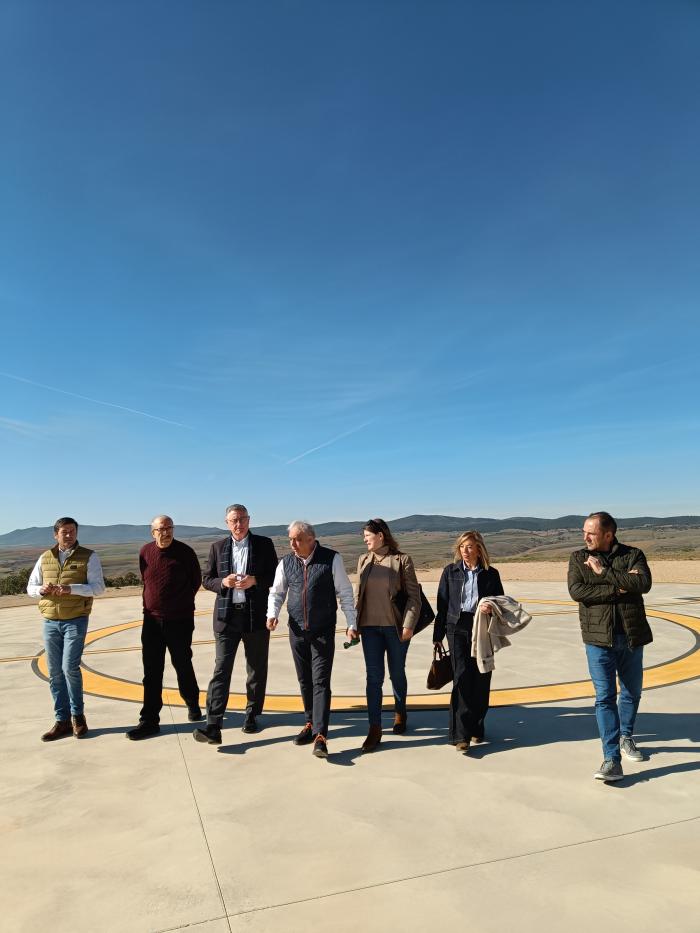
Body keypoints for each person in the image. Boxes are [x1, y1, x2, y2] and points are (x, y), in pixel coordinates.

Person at [568, 511, 652, 782]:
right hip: (598, 639)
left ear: (608, 534)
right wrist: (619, 588)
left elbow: (643, 583)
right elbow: (578, 592)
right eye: (584, 532)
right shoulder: (578, 558)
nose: (585, 537)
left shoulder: (633, 554)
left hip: (631, 636)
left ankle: (626, 736)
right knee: (604, 697)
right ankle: (611, 759)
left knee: (631, 692)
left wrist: (604, 573)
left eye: (590, 533)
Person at [267, 521, 356, 759]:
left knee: (321, 681)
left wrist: (351, 623)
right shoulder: (286, 562)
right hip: (297, 631)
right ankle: (309, 723)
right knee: (304, 680)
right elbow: (277, 592)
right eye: (290, 540)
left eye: (297, 539)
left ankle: (320, 735)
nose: (292, 544)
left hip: (322, 631)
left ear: (311, 539)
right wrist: (272, 614)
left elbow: (345, 592)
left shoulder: (331, 559)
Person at [193, 504, 278, 745]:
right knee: (221, 670)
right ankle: (213, 724)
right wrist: (223, 582)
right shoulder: (217, 547)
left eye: (242, 519)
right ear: (227, 523)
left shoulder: (264, 544)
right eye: (234, 520)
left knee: (256, 669)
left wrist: (255, 581)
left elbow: (275, 576)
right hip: (226, 618)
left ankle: (252, 714)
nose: (238, 524)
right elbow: (207, 579)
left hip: (255, 617)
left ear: (249, 520)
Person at [27, 517, 105, 741]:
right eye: (64, 532)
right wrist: (42, 589)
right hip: (50, 621)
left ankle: (78, 717)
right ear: (56, 534)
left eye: (72, 531)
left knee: (69, 667)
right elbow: (30, 587)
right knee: (55, 672)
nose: (69, 535)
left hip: (76, 619)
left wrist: (72, 589)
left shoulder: (89, 556)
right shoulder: (45, 557)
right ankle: (62, 721)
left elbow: (98, 588)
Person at [126, 516, 203, 740]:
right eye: (161, 529)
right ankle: (149, 720)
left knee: (182, 663)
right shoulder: (145, 552)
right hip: (151, 620)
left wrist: (179, 603)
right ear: (153, 533)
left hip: (180, 620)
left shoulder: (185, 552)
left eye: (169, 528)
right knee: (151, 671)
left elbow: (195, 581)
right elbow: (147, 580)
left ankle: (192, 701)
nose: (166, 532)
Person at [433, 530, 504, 753]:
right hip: (456, 627)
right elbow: (442, 605)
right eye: (462, 547)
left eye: (470, 546)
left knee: (481, 677)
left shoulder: (491, 574)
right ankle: (460, 735)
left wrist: (491, 607)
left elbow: (500, 602)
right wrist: (437, 636)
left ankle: (477, 725)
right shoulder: (450, 571)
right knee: (461, 677)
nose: (465, 551)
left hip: (481, 627)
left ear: (479, 549)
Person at [354, 518, 420, 752]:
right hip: (369, 629)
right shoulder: (363, 560)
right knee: (373, 678)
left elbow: (414, 597)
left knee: (396, 672)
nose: (365, 540)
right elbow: (358, 595)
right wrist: (354, 624)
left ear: (381, 535)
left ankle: (400, 711)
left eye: (368, 536)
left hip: (395, 628)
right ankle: (375, 728)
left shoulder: (402, 560)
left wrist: (408, 625)